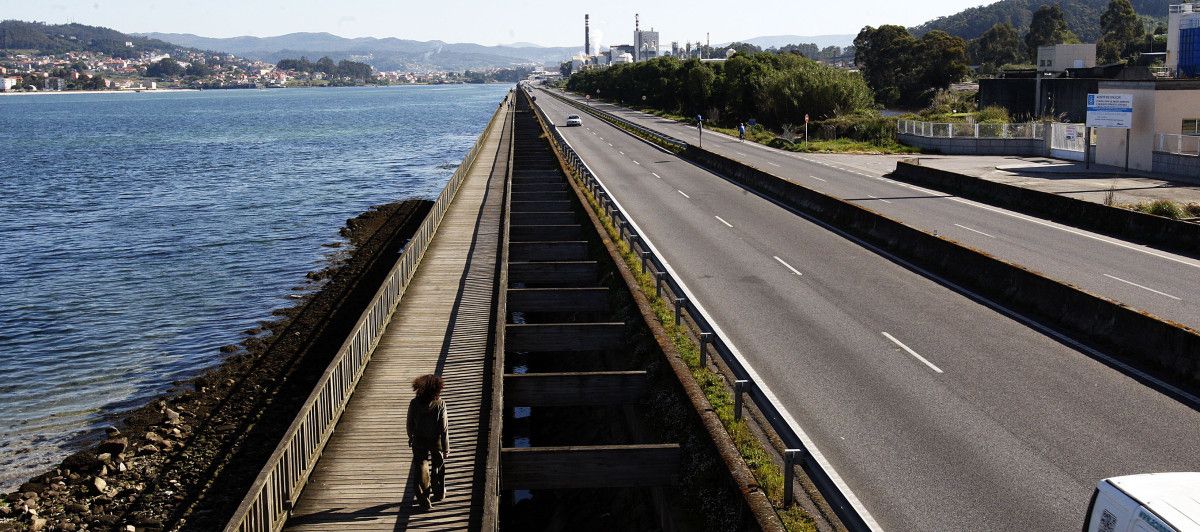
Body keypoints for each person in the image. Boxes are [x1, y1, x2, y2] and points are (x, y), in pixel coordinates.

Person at [407, 374, 449, 510]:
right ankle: (439, 492)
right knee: (439, 465)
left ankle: (425, 499)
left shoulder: (414, 403)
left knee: (422, 469)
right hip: (435, 441)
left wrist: (410, 436)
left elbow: (409, 424)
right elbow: (444, 428)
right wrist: (446, 448)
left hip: (419, 440)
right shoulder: (440, 404)